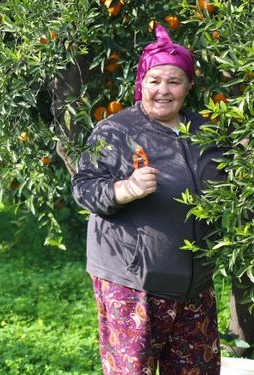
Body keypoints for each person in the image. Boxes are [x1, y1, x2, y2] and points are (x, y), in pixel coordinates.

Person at [72, 25, 225, 374]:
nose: (163, 90)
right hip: (134, 285)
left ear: (188, 86)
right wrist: (124, 189)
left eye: (174, 81)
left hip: (195, 287)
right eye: (155, 80)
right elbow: (83, 187)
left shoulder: (207, 132)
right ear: (141, 82)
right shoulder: (115, 130)